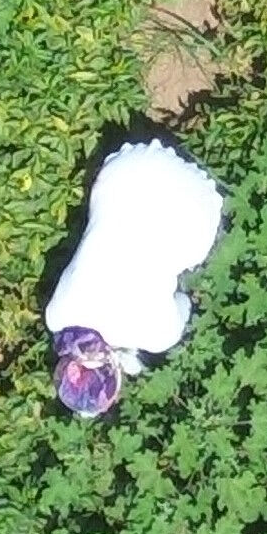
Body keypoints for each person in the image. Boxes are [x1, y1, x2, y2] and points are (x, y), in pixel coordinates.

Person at [44, 141, 227, 417]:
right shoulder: (56, 316)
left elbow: (184, 302)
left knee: (192, 266)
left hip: (189, 200)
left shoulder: (157, 335)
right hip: (126, 168)